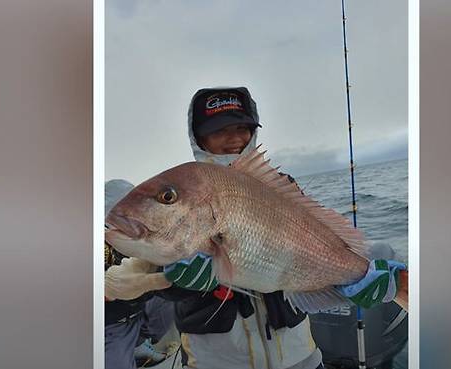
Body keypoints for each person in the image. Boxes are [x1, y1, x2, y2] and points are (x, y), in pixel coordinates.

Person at [158, 87, 406, 369]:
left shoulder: (281, 184)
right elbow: (147, 270)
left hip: (298, 354)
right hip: (217, 360)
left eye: (243, 127)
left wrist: (357, 275)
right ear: (198, 138)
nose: (235, 138)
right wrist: (175, 282)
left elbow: (309, 249)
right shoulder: (182, 188)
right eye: (220, 130)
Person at [104, 180, 175, 369]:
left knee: (168, 292)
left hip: (137, 314)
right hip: (110, 325)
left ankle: (139, 344)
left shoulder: (146, 234)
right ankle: (131, 347)